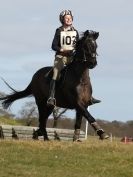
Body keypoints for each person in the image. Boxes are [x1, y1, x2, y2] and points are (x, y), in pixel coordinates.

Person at [47, 10, 101, 106]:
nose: (69, 19)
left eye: (70, 18)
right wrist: (62, 50)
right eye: (67, 18)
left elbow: (77, 46)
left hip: (72, 58)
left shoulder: (75, 32)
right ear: (62, 20)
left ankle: (89, 96)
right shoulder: (59, 31)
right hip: (61, 57)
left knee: (84, 72)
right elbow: (53, 46)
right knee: (55, 74)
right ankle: (51, 97)